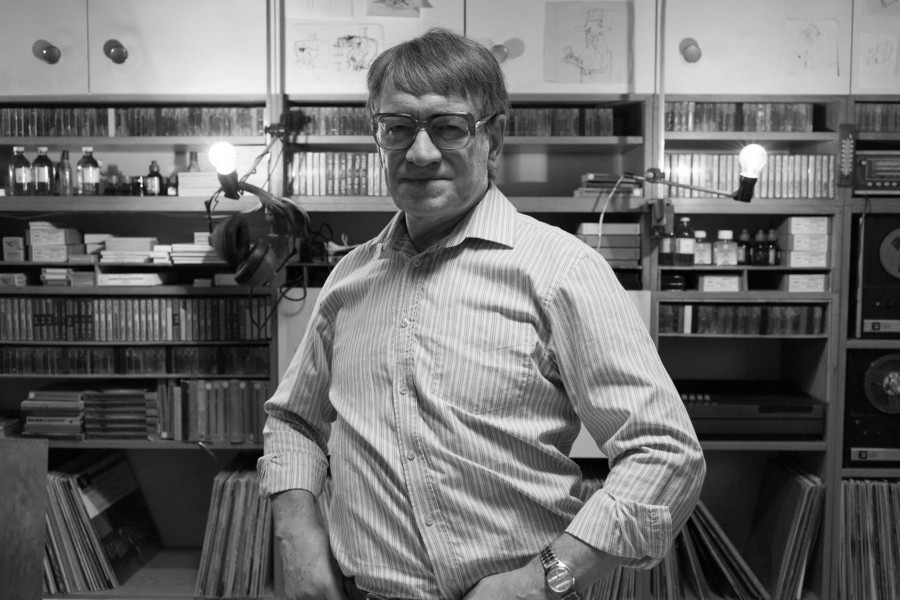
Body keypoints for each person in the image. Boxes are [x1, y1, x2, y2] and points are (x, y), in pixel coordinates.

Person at [258, 27, 706, 600]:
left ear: (492, 139)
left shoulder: (562, 271)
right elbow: (293, 421)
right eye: (397, 128)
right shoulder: (349, 277)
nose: (420, 153)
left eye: (449, 127)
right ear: (379, 137)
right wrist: (296, 534)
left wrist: (544, 580)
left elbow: (664, 452)